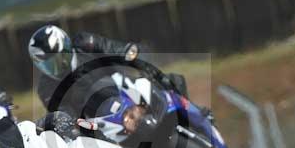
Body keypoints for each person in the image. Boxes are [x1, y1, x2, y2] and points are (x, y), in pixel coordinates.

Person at [27, 25, 189, 119]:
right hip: (102, 120)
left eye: (58, 59)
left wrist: (138, 59)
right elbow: (63, 115)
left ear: (67, 48)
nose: (56, 67)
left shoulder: (86, 44)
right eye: (48, 65)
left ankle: (202, 119)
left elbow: (118, 50)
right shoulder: (46, 88)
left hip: (126, 90)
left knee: (174, 81)